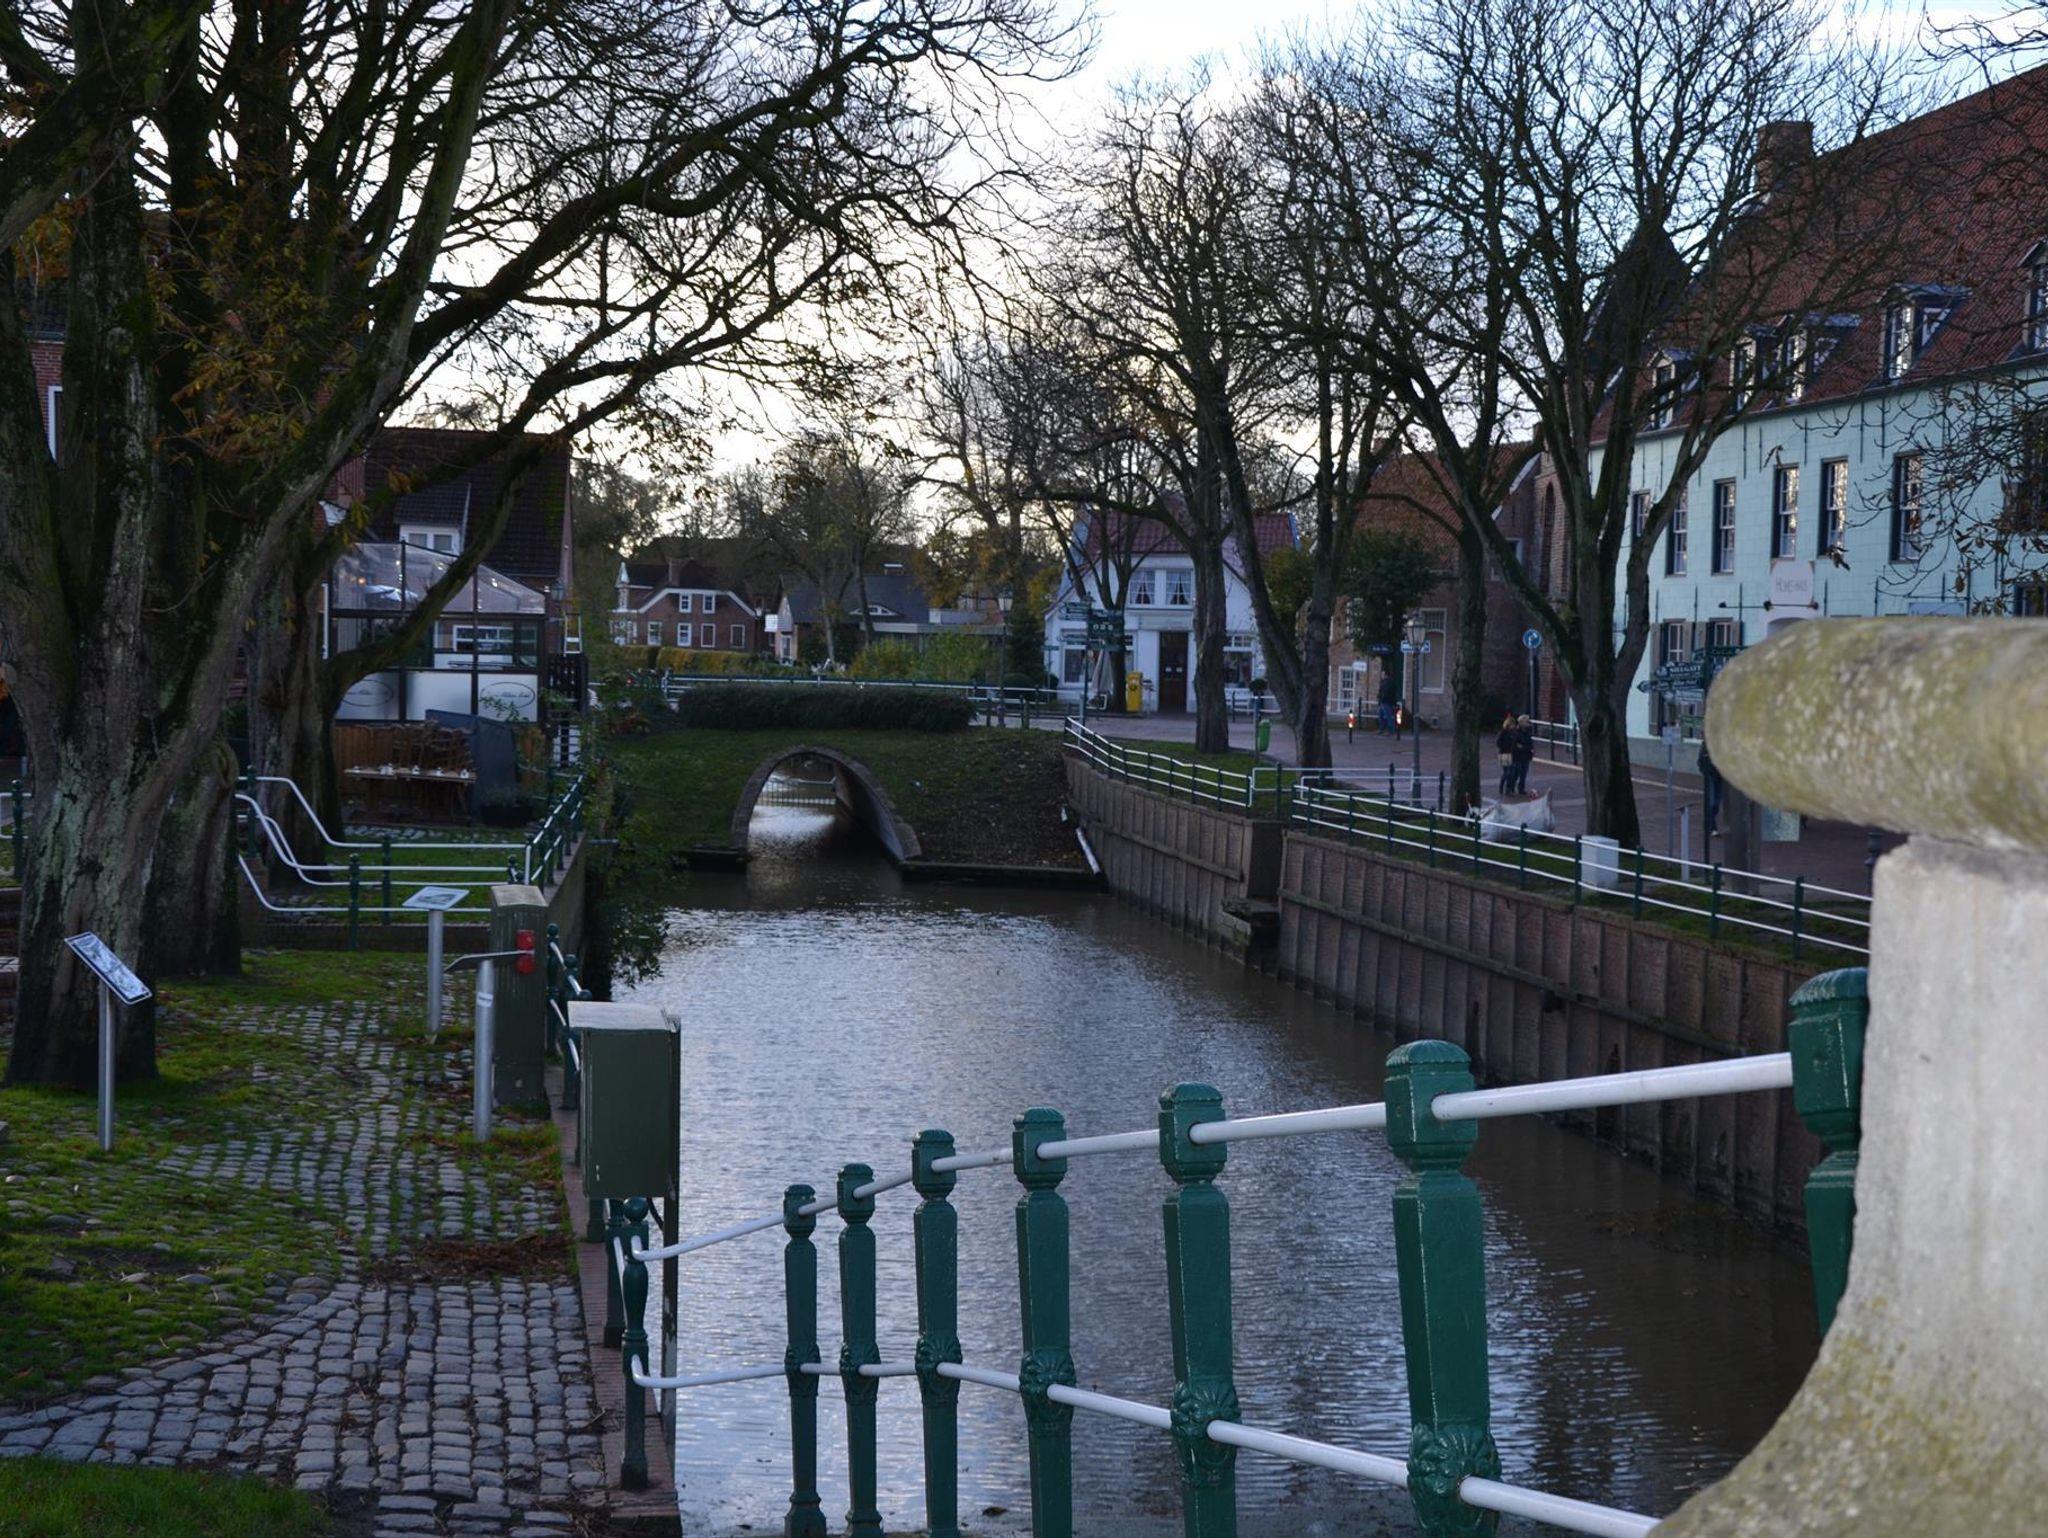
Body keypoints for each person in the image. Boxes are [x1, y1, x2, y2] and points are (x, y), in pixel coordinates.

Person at [1697, 733, 1724, 839]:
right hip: (1710, 778)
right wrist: (1706, 772)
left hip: (1720, 778)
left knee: (1716, 804)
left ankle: (1709, 823)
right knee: (1712, 803)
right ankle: (1711, 827)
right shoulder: (1705, 748)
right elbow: (1700, 762)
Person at [1510, 714, 1536, 796]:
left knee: (1524, 773)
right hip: (1518, 755)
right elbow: (1515, 744)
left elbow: (1529, 742)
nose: (1528, 723)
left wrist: (1530, 748)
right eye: (1527, 722)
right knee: (1517, 772)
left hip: (1526, 755)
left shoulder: (1528, 731)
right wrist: (1522, 746)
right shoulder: (1516, 732)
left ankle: (1521, 788)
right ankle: (1511, 787)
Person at [1496, 714, 1519, 797]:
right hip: (1504, 753)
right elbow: (1498, 743)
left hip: (1511, 753)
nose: (1514, 726)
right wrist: (1507, 745)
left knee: (1511, 772)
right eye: (1512, 724)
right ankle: (1502, 786)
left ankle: (1508, 789)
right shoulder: (1503, 732)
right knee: (1507, 772)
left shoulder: (1513, 733)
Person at [1376, 668, 1400, 735]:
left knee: (1388, 716)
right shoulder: (1384, 682)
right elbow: (1381, 691)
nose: (1381, 675)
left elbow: (1386, 692)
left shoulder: (1389, 682)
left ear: (1385, 674)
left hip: (1387, 701)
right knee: (1381, 716)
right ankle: (1382, 728)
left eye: (1382, 674)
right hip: (1383, 701)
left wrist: (1381, 696)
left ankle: (1391, 730)